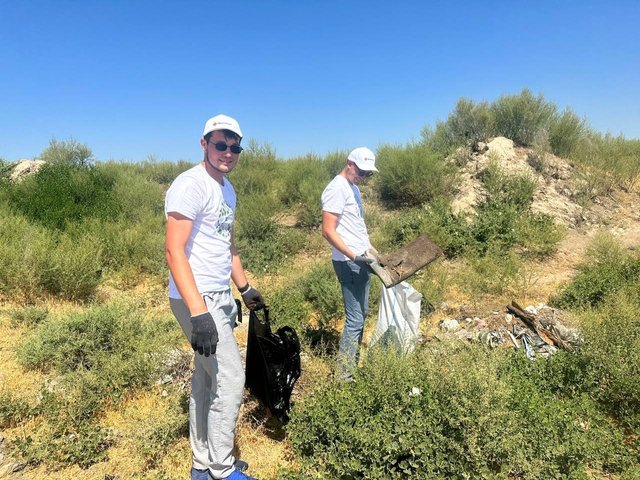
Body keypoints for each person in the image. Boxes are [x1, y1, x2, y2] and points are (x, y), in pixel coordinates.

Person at [165, 114, 264, 480]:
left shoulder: (227, 189)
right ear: (204, 143)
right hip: (195, 297)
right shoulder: (190, 185)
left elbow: (228, 244)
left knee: (206, 379)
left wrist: (244, 287)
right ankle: (222, 470)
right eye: (220, 144)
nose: (228, 152)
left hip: (218, 293)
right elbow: (174, 251)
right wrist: (199, 312)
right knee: (229, 379)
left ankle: (202, 462)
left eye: (235, 147)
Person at [321, 147, 378, 381]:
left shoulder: (352, 188)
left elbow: (356, 227)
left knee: (362, 314)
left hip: (361, 259)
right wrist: (354, 256)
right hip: (349, 262)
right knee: (355, 319)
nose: (363, 178)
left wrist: (372, 250)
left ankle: (351, 367)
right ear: (349, 164)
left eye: (368, 175)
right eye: (362, 172)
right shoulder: (336, 188)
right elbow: (327, 230)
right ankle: (345, 378)